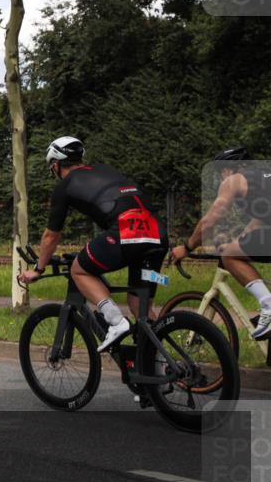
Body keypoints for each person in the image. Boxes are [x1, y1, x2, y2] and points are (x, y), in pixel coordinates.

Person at [18, 137, 168, 349]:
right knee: (139, 307)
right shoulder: (105, 169)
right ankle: (159, 369)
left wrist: (38, 269)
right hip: (157, 233)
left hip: (126, 233)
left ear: (56, 165)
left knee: (79, 270)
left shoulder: (65, 186)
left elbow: (52, 235)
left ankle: (116, 321)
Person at [168, 147, 271, 340]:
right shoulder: (263, 177)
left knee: (228, 255)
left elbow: (209, 220)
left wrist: (188, 247)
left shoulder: (234, 180)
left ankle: (268, 305)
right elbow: (260, 220)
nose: (221, 176)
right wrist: (237, 241)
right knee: (234, 249)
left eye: (220, 170)